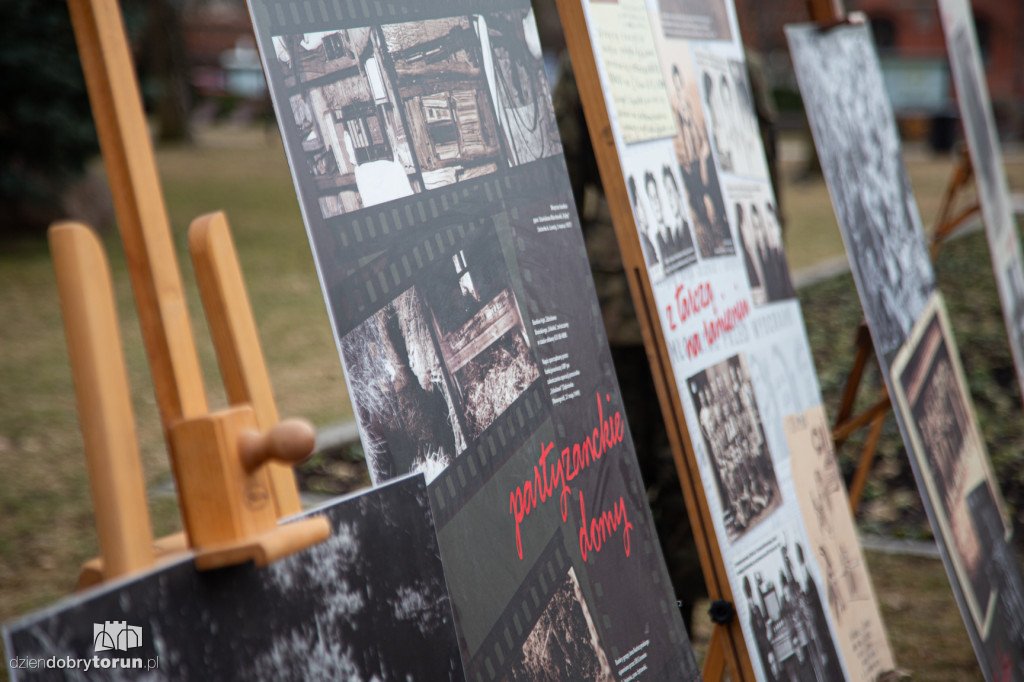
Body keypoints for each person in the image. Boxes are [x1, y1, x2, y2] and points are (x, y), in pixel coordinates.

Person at [553, 53, 706, 633]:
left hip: (673, 297)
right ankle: (646, 611)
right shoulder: (600, 52)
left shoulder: (602, 55)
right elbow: (561, 182)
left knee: (664, 465)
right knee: (639, 464)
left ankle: (661, 612)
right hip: (638, 301)